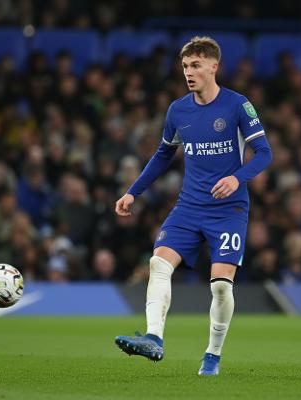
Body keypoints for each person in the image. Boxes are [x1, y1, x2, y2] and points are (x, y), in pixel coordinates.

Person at [114, 37, 272, 376]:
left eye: (196, 65)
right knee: (158, 263)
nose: (189, 72)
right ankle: (154, 338)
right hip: (188, 207)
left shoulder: (238, 105)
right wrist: (133, 192)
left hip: (228, 209)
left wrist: (237, 178)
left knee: (220, 286)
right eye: (185, 66)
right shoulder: (178, 110)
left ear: (214, 67)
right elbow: (162, 155)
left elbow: (264, 153)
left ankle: (212, 355)